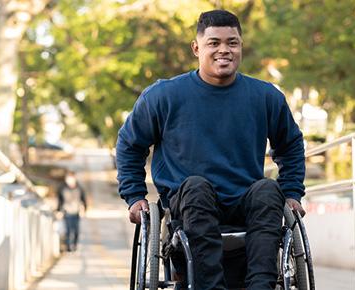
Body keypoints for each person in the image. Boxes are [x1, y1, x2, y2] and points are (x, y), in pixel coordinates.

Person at [116, 9, 306, 290]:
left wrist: (291, 192)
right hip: (189, 202)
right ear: (196, 48)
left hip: (245, 202)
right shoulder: (163, 96)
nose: (224, 50)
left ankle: (261, 285)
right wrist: (134, 196)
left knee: (268, 190)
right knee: (196, 187)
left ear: (241, 46)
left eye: (232, 42)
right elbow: (130, 145)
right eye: (214, 43)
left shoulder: (265, 97)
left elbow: (290, 144)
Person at [57, 170, 87, 252]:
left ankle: (75, 244)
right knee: (68, 230)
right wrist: (59, 210)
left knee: (76, 230)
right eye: (68, 178)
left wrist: (84, 209)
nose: (69, 180)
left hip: (76, 212)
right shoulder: (62, 188)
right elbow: (60, 200)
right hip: (66, 212)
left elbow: (83, 199)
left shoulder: (79, 188)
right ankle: (68, 247)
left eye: (71, 178)